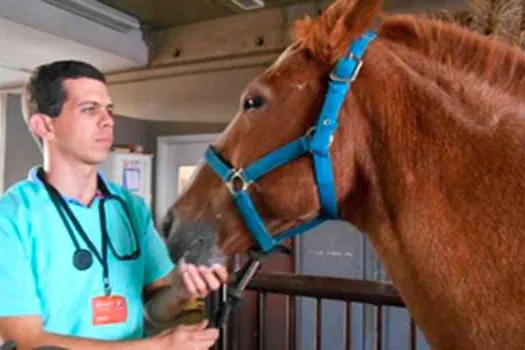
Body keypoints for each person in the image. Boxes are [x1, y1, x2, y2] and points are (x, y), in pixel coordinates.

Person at [0, 60, 228, 349]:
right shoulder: (10, 218)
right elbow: (26, 342)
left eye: (109, 109)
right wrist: (158, 347)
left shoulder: (130, 207)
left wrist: (182, 289)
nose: (107, 120)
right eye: (89, 109)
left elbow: (154, 309)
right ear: (45, 125)